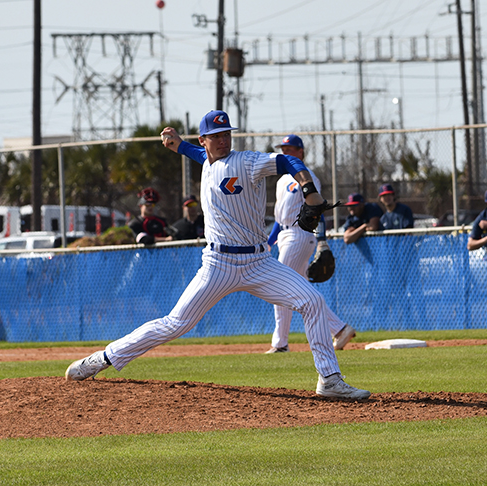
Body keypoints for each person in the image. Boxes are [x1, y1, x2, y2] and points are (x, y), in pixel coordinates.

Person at [65, 110, 371, 400]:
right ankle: (102, 358)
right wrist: (177, 145)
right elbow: (198, 155)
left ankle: (329, 379)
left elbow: (288, 162)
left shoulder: (247, 163)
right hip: (218, 265)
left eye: (226, 134)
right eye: (216, 135)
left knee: (313, 301)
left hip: (258, 263)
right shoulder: (206, 159)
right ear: (204, 141)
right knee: (175, 324)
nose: (223, 140)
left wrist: (308, 189)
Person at [265, 134, 356, 353]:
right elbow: (279, 219)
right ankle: (340, 329)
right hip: (285, 236)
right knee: (304, 292)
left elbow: (318, 208)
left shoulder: (307, 176)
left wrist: (322, 240)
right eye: (282, 149)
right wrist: (269, 242)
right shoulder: (281, 181)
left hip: (300, 234)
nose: (285, 153)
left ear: (300, 152)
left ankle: (280, 344)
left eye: (289, 149)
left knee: (279, 285)